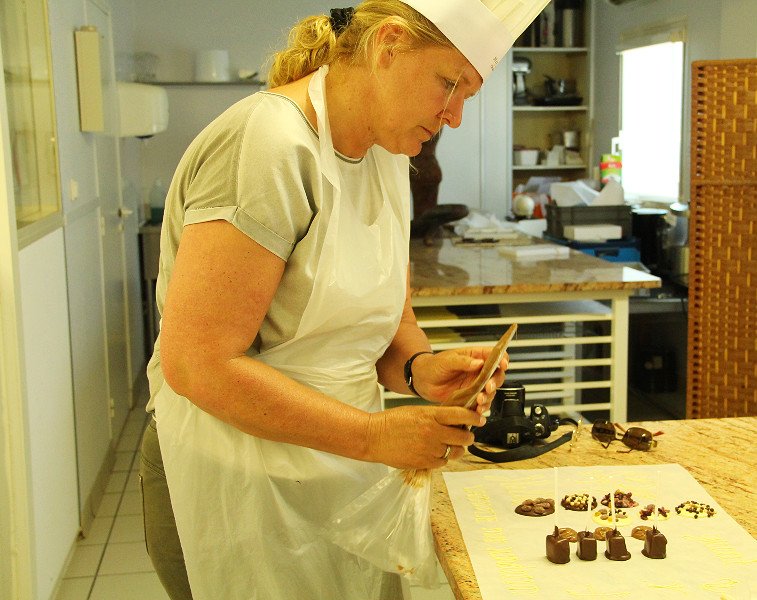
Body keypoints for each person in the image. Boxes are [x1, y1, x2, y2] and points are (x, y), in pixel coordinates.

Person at [139, 1, 551, 599]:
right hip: (233, 474)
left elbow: (388, 313)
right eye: (450, 82)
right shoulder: (269, 146)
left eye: (469, 93)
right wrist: (372, 436)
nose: (455, 116)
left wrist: (419, 369)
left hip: (339, 469)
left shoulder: (388, 150)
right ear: (387, 46)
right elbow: (197, 364)